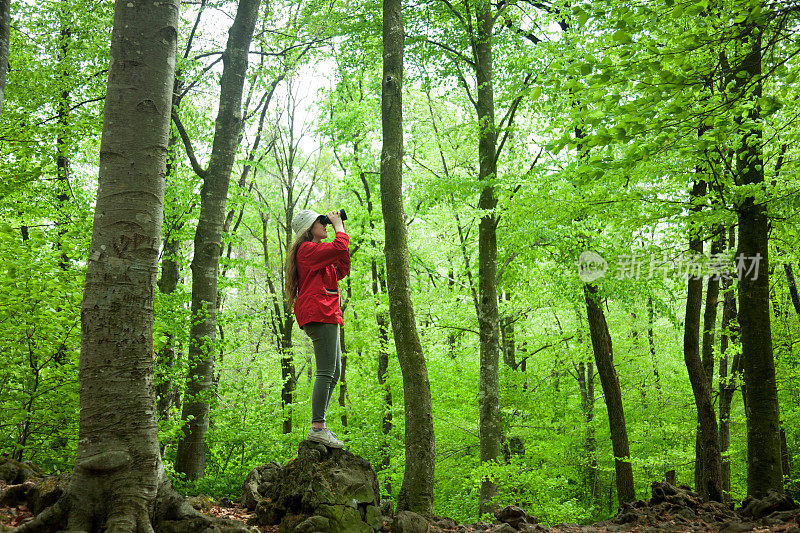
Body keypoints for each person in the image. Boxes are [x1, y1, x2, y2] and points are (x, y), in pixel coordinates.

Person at [285, 209, 350, 448]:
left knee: (334, 372)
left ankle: (319, 425)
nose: (324, 225)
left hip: (328, 312)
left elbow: (342, 268)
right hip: (319, 312)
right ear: (307, 228)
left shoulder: (318, 254)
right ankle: (317, 427)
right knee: (325, 372)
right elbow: (339, 248)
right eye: (319, 222)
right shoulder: (306, 251)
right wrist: (338, 228)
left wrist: (338, 228)